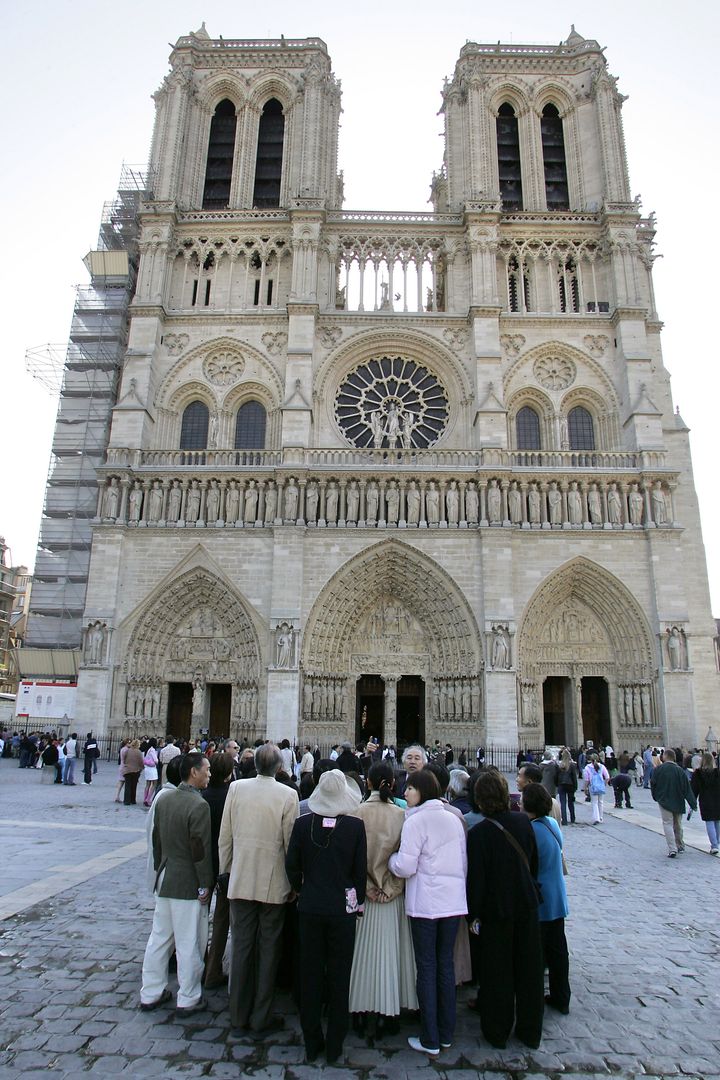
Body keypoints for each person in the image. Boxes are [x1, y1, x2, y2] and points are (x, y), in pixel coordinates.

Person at [219, 743, 299, 1038]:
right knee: (269, 950)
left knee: (241, 947)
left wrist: (226, 871)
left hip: (240, 879)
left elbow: (225, 837)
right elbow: (291, 844)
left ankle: (238, 1014)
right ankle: (260, 1016)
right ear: (279, 768)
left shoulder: (236, 789)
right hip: (272, 883)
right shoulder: (288, 794)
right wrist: (293, 882)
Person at [286, 769, 366, 1064]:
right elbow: (359, 874)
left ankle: (311, 1042)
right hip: (342, 912)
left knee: (310, 975)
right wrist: (355, 905)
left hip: (310, 908)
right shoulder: (355, 827)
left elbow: (292, 866)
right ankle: (335, 1044)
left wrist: (301, 889)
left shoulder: (302, 823)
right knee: (339, 975)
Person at [388, 769, 467, 1057]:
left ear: (422, 792)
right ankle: (446, 1033)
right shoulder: (454, 818)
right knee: (445, 965)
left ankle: (429, 1036)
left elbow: (406, 867)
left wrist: (391, 859)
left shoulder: (415, 821)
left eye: (409, 788)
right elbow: (462, 862)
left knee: (427, 968)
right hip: (452, 903)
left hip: (425, 905)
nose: (405, 792)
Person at [466, 770, 544, 1050]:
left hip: (496, 911)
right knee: (529, 970)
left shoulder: (478, 834)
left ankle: (497, 1030)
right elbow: (532, 864)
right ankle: (531, 1030)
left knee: (497, 972)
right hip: (526, 905)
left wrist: (473, 915)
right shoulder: (524, 823)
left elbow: (476, 881)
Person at [140, 752, 213, 1015]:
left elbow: (156, 842)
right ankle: (189, 996)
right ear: (193, 772)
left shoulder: (164, 800)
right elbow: (200, 852)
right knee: (188, 942)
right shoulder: (198, 805)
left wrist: (161, 870)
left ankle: (150, 992)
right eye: (206, 769)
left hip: (166, 878)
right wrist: (205, 884)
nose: (209, 774)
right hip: (186, 883)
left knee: (158, 939)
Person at [348, 762, 417, 1031]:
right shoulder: (402, 815)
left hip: (364, 897)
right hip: (391, 896)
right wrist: (391, 887)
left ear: (368, 783)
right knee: (390, 956)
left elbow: (351, 859)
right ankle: (389, 1012)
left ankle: (359, 1008)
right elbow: (406, 860)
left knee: (361, 957)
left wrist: (365, 885)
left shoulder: (356, 812)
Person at [521, 782, 570, 1015]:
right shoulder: (550, 823)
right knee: (558, 950)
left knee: (537, 954)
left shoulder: (532, 831)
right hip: (557, 897)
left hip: (540, 900)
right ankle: (562, 996)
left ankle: (533, 1000)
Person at [201, 752, 235, 988]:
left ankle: (194, 964)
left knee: (197, 918)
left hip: (202, 866)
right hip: (225, 866)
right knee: (222, 921)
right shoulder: (233, 798)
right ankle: (213, 970)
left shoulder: (200, 797)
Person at [651, 747, 697, 857]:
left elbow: (653, 784)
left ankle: (672, 848)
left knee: (667, 824)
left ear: (665, 757)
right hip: (678, 800)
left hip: (664, 800)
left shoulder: (658, 770)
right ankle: (680, 844)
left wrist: (656, 797)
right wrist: (693, 803)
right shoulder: (680, 771)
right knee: (678, 824)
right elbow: (686, 789)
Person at [690, 752, 720, 855]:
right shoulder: (717, 772)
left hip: (705, 801)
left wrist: (692, 802)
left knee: (710, 822)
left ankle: (714, 845)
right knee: (717, 821)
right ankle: (717, 843)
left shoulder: (698, 774)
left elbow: (694, 790)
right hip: (717, 800)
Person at [583, 755, 610, 824]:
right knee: (600, 802)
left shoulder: (587, 768)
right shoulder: (602, 766)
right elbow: (607, 777)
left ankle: (596, 818)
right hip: (601, 786)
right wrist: (604, 784)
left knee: (594, 802)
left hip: (593, 786)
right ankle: (601, 817)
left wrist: (585, 788)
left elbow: (587, 780)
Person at [556, 749, 578, 825]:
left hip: (561, 785)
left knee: (563, 803)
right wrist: (575, 786)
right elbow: (574, 777)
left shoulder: (560, 765)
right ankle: (572, 818)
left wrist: (557, 784)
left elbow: (557, 776)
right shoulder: (571, 765)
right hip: (570, 785)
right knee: (571, 803)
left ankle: (564, 820)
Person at [122, 739, 144, 806]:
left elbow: (124, 759)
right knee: (134, 785)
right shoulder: (139, 752)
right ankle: (133, 800)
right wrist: (142, 767)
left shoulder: (127, 750)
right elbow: (141, 761)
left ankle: (126, 801)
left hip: (127, 769)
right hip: (136, 770)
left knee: (127, 785)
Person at [143, 738, 159, 806]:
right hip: (152, 769)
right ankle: (148, 799)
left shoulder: (147, 749)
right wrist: (157, 761)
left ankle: (145, 799)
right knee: (154, 784)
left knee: (148, 784)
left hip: (147, 768)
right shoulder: (152, 750)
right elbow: (155, 760)